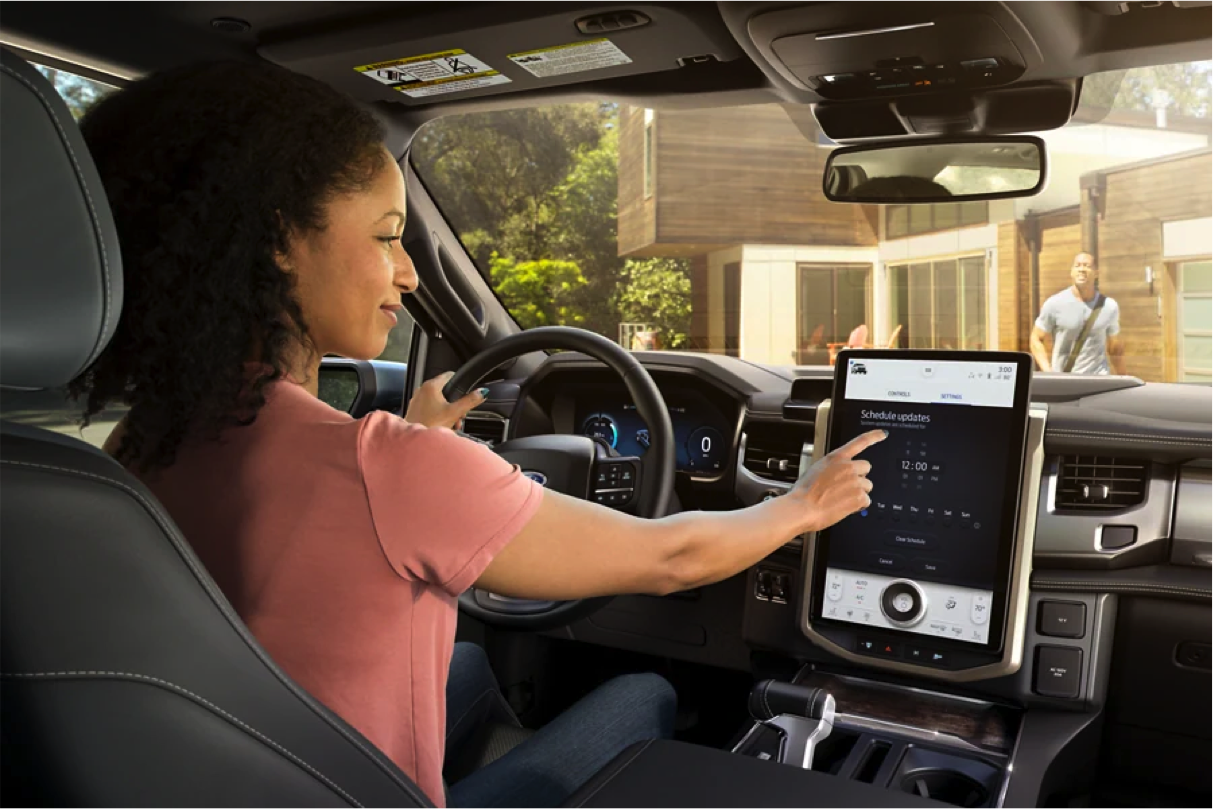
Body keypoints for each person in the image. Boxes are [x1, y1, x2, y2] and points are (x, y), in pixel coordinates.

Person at [72, 61, 884, 809]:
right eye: (388, 235)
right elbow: (672, 557)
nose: (410, 272)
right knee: (648, 692)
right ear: (283, 241)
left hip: (232, 772)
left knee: (462, 664)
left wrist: (411, 440)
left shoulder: (134, 450)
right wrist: (802, 505)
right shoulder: (394, 470)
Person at [1030, 252, 1126, 375]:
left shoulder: (1109, 306)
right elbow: (1036, 338)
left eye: (1087, 266)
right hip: (1065, 380)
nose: (1081, 269)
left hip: (1098, 379)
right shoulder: (1055, 303)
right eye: (1077, 265)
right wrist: (1048, 372)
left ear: (1096, 273)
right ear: (1071, 272)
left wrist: (1124, 378)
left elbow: (1115, 348)